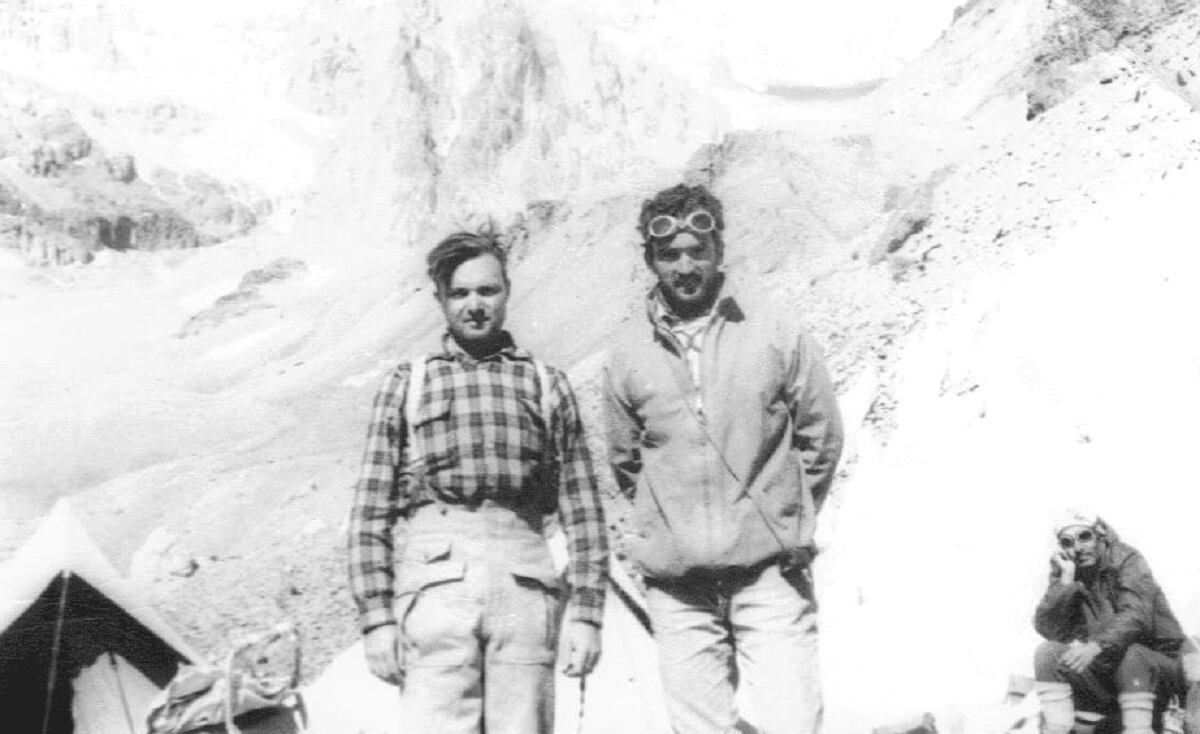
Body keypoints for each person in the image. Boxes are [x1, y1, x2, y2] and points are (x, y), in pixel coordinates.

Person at [603, 183, 844, 734]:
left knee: (793, 721)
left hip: (769, 574)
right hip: (679, 587)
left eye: (697, 251)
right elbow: (626, 461)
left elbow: (821, 434)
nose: (685, 266)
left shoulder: (772, 328)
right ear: (651, 260)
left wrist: (786, 517)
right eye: (670, 254)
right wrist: (672, 527)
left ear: (718, 252)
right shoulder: (626, 352)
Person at [348, 231, 608, 734]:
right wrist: (377, 619)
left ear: (507, 290)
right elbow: (369, 514)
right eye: (460, 293)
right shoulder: (408, 385)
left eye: (487, 291)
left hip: (525, 587)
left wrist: (587, 615)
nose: (474, 306)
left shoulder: (546, 384)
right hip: (436, 589)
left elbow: (584, 510)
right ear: (441, 300)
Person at [1033, 510, 1200, 734]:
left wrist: (1096, 646)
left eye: (1085, 536)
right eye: (1068, 542)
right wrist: (1064, 584)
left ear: (1100, 534)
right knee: (1048, 654)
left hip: (1159, 669)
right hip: (1111, 673)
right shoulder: (1071, 574)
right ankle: (1057, 729)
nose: (1078, 547)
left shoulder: (1127, 560)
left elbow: (1136, 616)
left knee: (1133, 655)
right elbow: (1048, 629)